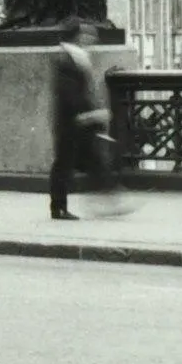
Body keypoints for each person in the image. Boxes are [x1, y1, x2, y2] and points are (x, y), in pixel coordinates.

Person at [48, 23, 131, 220]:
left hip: (78, 120)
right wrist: (88, 114)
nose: (92, 39)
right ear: (77, 36)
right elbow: (68, 92)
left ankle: (109, 199)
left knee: (93, 161)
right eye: (87, 35)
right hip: (72, 121)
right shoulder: (67, 57)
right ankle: (59, 208)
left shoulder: (76, 56)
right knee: (65, 164)